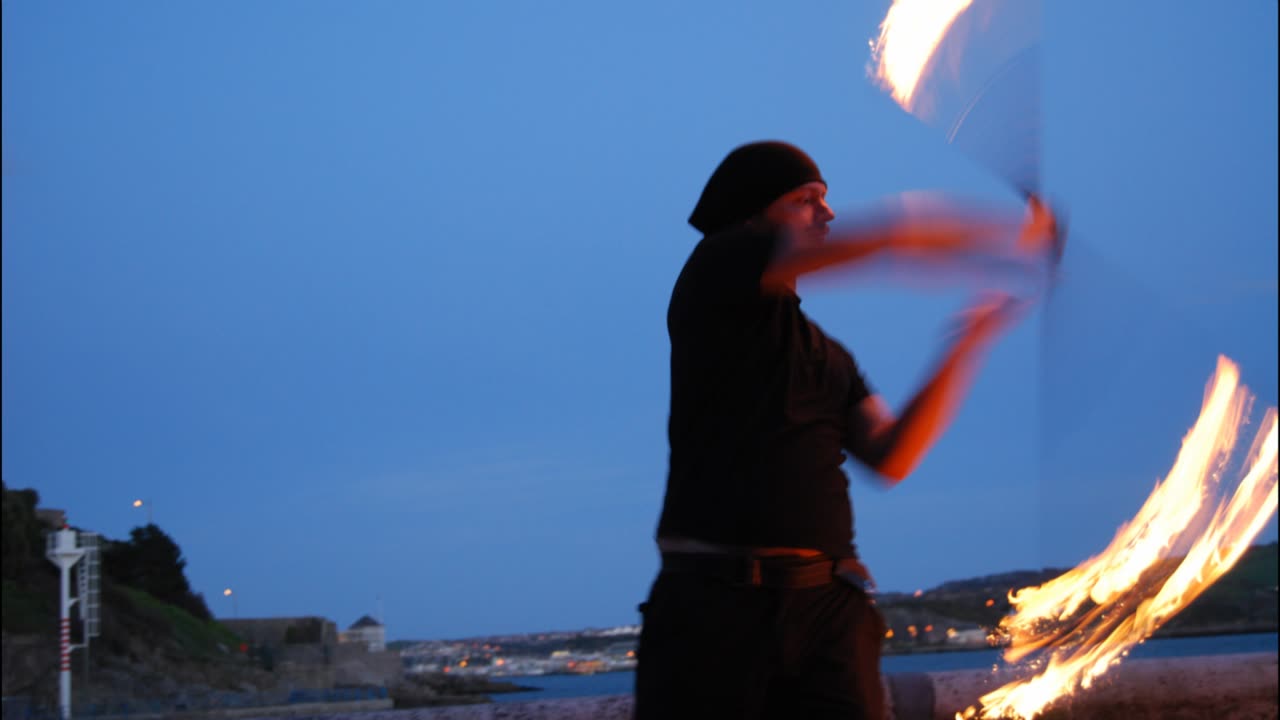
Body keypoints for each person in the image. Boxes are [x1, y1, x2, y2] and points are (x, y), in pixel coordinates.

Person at [633, 140, 1057, 720]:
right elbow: (885, 239)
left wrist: (967, 341)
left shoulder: (829, 355)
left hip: (828, 607)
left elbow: (892, 454)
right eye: (806, 199)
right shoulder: (716, 267)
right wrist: (1012, 233)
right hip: (715, 604)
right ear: (754, 215)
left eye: (826, 200)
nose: (827, 214)